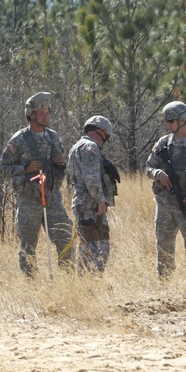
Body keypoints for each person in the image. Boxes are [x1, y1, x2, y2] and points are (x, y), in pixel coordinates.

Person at [0, 92, 74, 275]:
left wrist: (62, 165)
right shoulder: (18, 140)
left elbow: (63, 166)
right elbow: (3, 169)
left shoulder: (53, 137)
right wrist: (25, 168)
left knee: (65, 237)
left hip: (52, 198)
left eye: (47, 112)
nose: (46, 116)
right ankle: (31, 285)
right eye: (41, 112)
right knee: (28, 246)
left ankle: (68, 279)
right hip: (29, 200)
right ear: (31, 115)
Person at [145, 101, 186, 278]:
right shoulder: (163, 143)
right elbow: (149, 167)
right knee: (164, 246)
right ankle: (165, 283)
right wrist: (158, 173)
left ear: (183, 120)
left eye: (172, 120)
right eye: (167, 120)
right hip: (165, 205)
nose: (168, 124)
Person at [67, 115, 118, 272]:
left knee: (87, 245)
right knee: (98, 247)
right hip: (91, 205)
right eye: (106, 136)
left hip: (83, 203)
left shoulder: (76, 147)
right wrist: (100, 200)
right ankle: (92, 280)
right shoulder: (91, 148)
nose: (105, 140)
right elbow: (92, 179)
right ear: (101, 131)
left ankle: (85, 282)